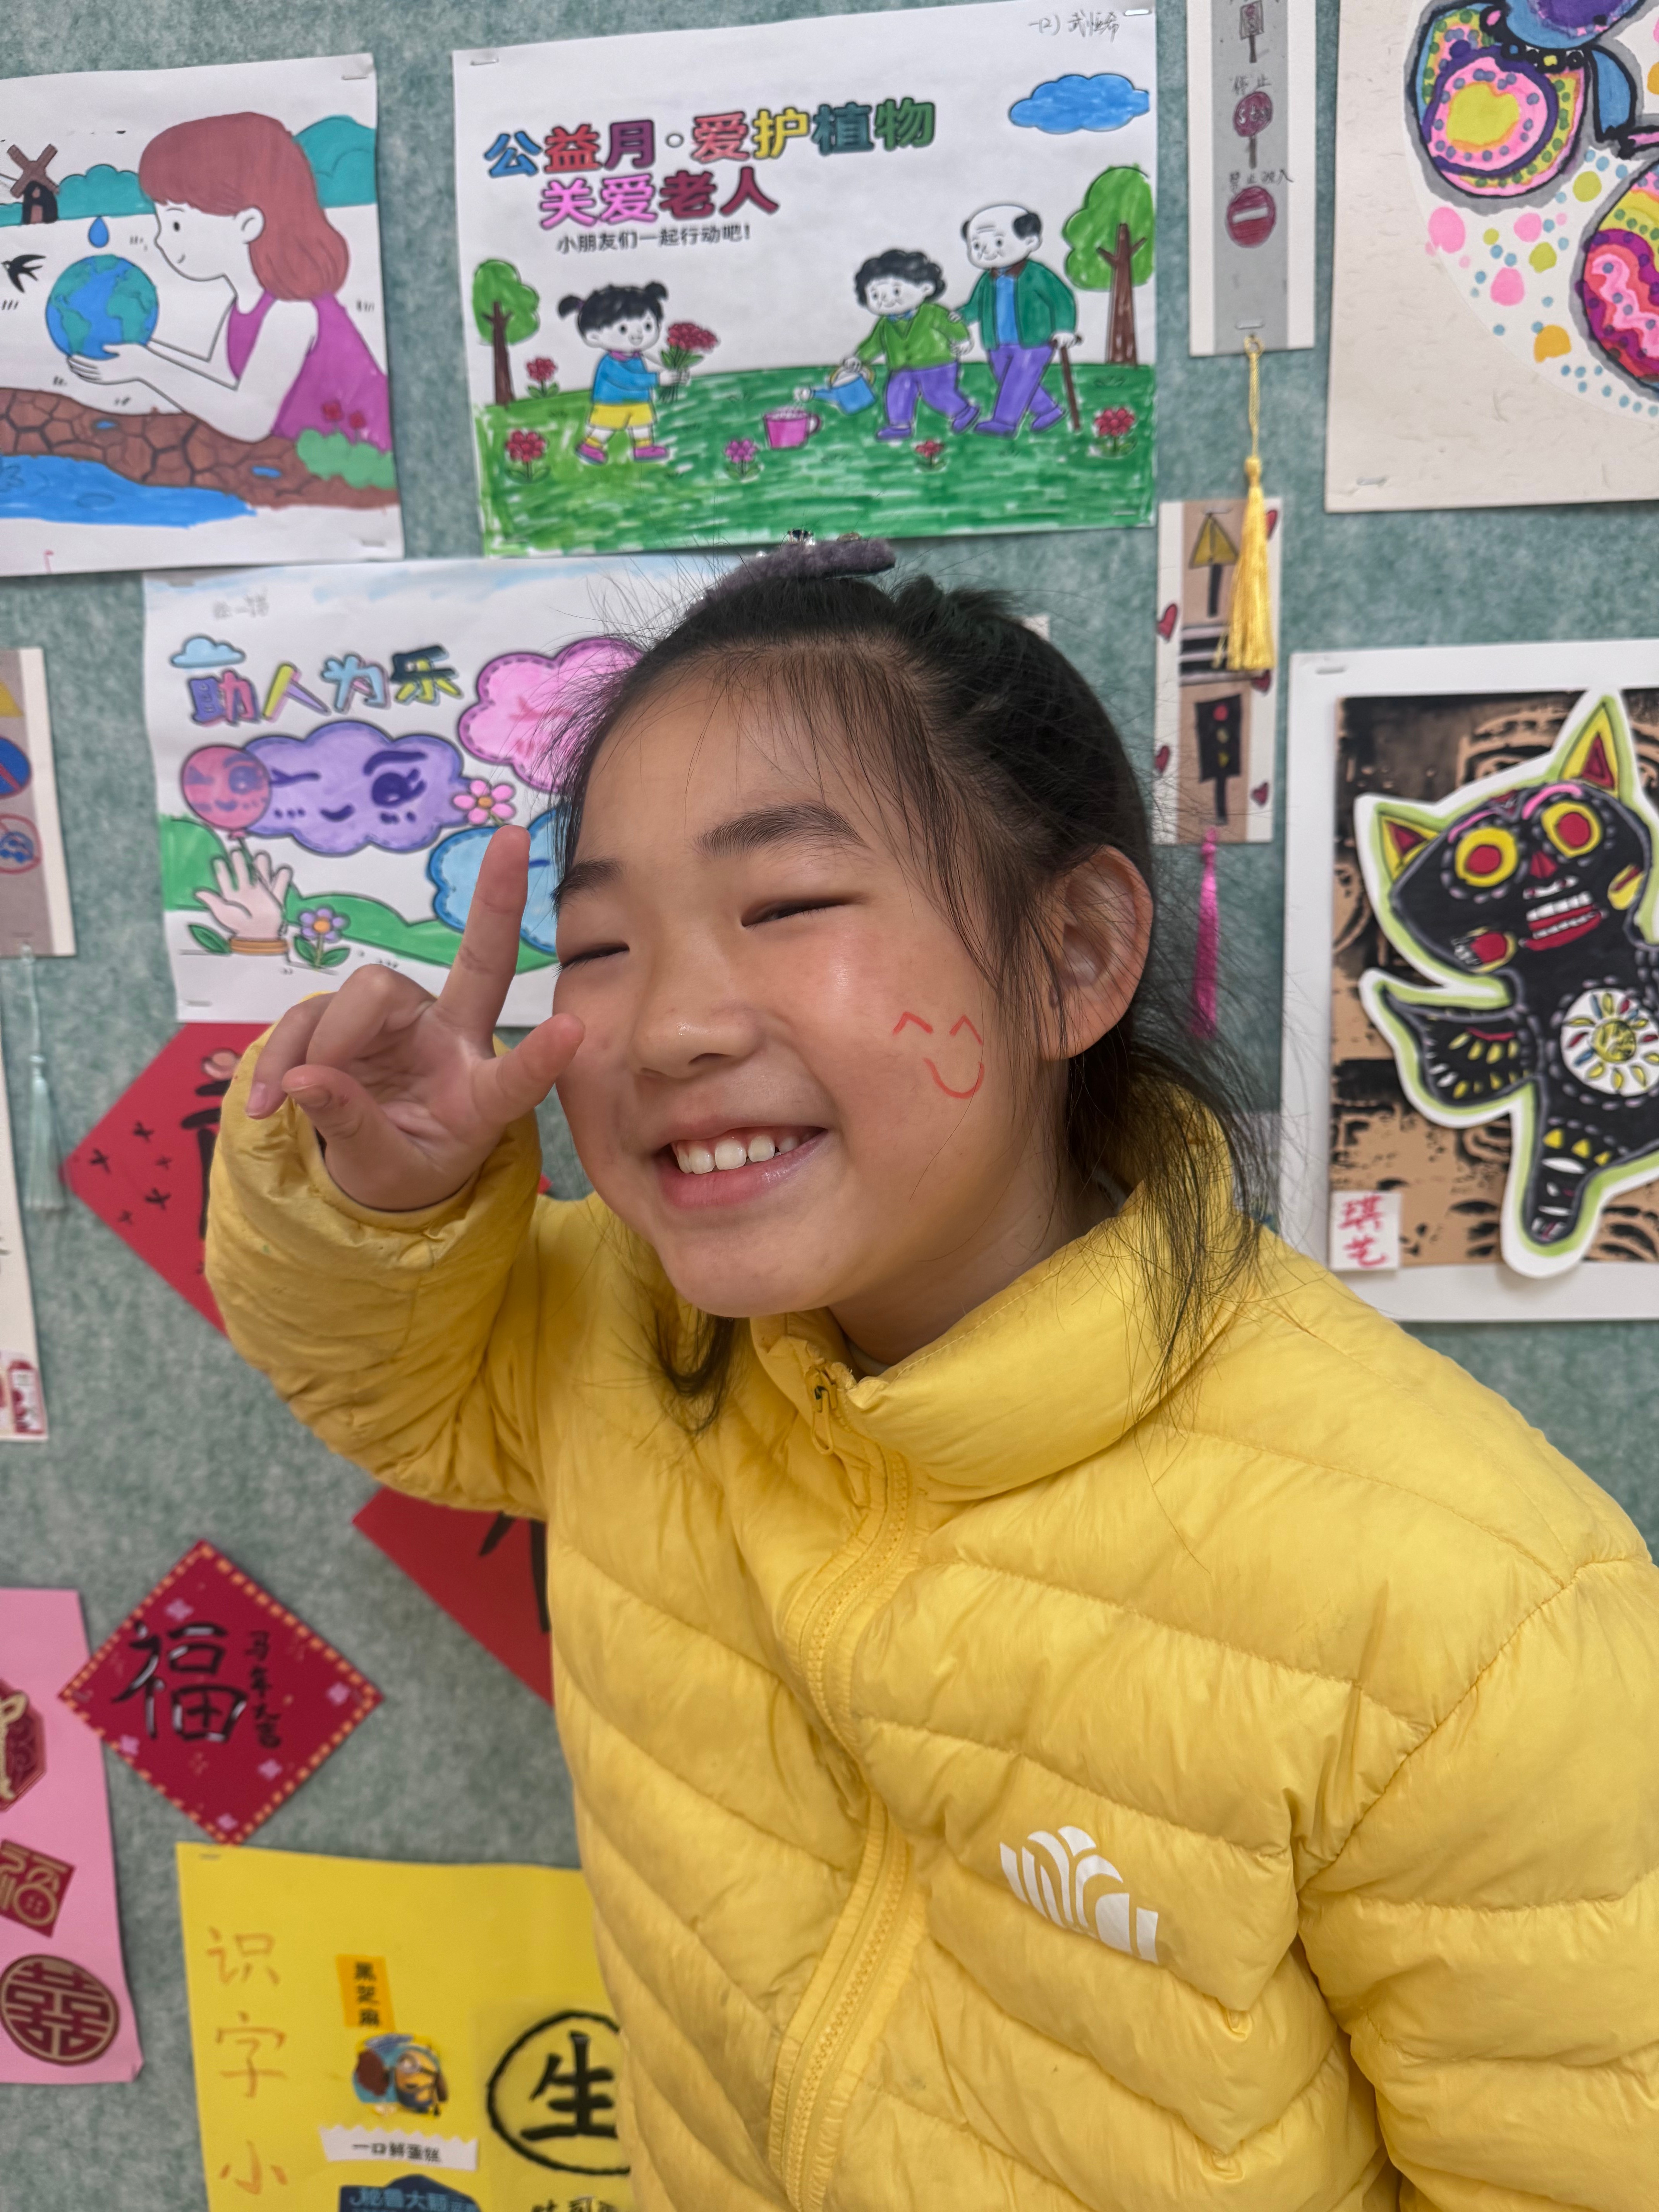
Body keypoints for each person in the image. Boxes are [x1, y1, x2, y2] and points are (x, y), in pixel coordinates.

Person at [209, 541, 1659, 2212]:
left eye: (784, 906)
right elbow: (404, 1384)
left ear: (1072, 955)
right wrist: (388, 1196)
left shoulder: (1483, 1615)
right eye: (597, 944)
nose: (671, 1024)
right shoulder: (630, 1326)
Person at [67, 113, 391, 452]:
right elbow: (220, 378)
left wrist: (147, 367)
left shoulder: (292, 312)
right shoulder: (246, 303)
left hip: (360, 456)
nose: (161, 240)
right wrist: (146, 350)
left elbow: (249, 419)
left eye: (175, 225)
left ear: (247, 224)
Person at [958, 201, 1077, 437]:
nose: (986, 251)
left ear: (1030, 241)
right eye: (977, 245)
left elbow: (1062, 300)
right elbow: (976, 306)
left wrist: (1064, 328)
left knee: (1018, 378)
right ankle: (1048, 410)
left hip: (1035, 340)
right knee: (1010, 378)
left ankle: (1004, 422)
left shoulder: (1038, 274)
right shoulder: (987, 280)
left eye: (998, 242)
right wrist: (960, 317)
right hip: (996, 342)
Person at [843, 248, 978, 441]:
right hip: (901, 368)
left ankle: (964, 411)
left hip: (938, 364)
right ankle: (899, 425)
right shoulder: (884, 324)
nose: (885, 300)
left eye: (896, 291)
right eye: (875, 296)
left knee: (936, 393)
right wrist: (860, 358)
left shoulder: (933, 312)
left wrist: (963, 340)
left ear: (926, 288)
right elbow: (874, 344)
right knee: (896, 393)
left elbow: (952, 325)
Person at [560, 282, 678, 465]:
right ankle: (591, 446)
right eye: (623, 329)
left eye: (647, 326)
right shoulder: (611, 363)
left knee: (642, 424)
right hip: (612, 402)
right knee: (606, 427)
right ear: (593, 336)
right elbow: (630, 380)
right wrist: (658, 378)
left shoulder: (637, 357)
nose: (638, 335)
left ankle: (644, 448)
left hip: (639, 400)